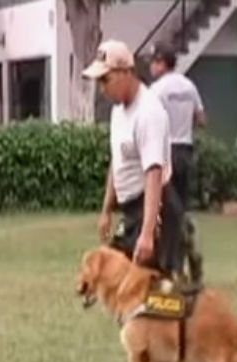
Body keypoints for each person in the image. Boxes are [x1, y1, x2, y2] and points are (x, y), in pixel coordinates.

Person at [83, 39, 185, 282]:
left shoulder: (148, 111)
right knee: (117, 281)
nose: (102, 89)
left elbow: (154, 173)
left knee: (155, 291)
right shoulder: (118, 112)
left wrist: (148, 233)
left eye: (106, 80)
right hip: (131, 211)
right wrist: (107, 210)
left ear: (126, 73)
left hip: (154, 209)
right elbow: (117, 162)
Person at [148, 42, 207, 210]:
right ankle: (182, 225)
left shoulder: (156, 90)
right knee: (181, 200)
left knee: (162, 200)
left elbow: (149, 121)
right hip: (185, 149)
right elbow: (201, 120)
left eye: (153, 62)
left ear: (161, 63)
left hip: (164, 150)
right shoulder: (189, 86)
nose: (151, 66)